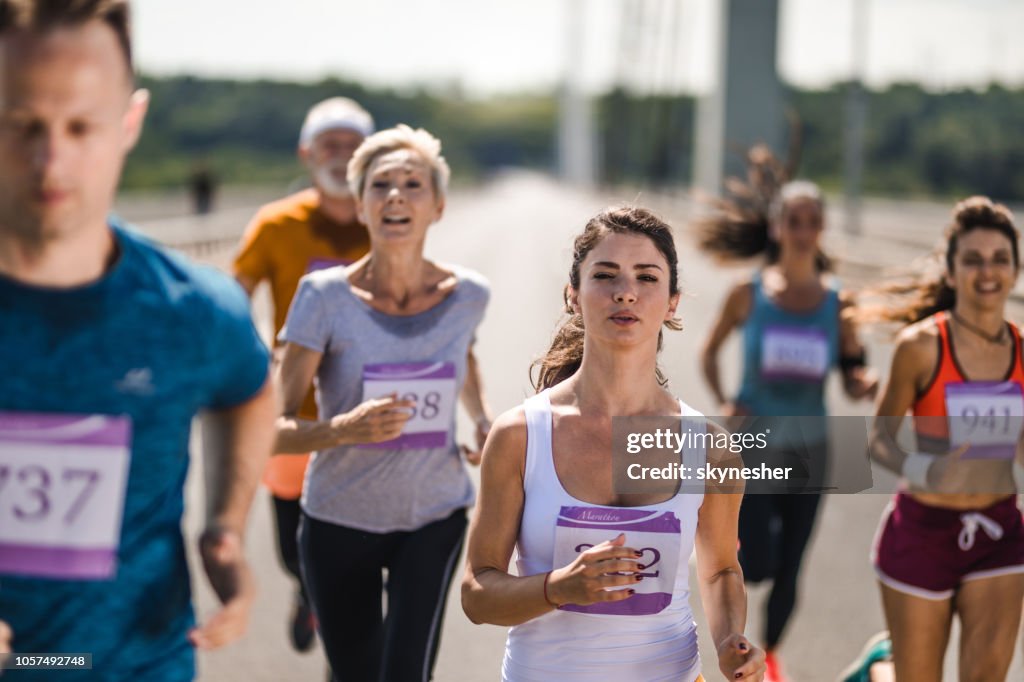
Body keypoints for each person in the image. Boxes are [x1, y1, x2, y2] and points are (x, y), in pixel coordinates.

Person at [0, 1, 276, 680]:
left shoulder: (195, 311)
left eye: (80, 126)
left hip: (139, 663)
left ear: (129, 122)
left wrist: (226, 527)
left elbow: (248, 387)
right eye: (22, 124)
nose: (50, 160)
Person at [462, 206, 766, 681]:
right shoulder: (522, 435)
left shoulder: (708, 446)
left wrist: (730, 639)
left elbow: (721, 571)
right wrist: (560, 587)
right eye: (605, 275)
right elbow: (477, 595)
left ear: (672, 303)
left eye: (647, 277)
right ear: (573, 296)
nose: (626, 291)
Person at [274, 124, 492, 681]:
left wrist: (482, 419)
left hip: (434, 514)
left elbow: (461, 357)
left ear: (437, 206)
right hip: (338, 517)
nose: (396, 195)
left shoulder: (469, 294)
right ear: (361, 205)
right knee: (355, 674)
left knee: (406, 675)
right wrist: (340, 430)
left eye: (413, 184)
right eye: (380, 184)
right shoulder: (322, 298)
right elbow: (272, 428)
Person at [697, 147, 877, 682]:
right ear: (777, 227)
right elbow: (708, 352)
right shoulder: (747, 295)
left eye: (813, 221)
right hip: (754, 445)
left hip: (815, 447)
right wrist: (726, 399)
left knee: (793, 566)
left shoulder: (838, 302)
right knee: (764, 563)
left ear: (822, 230)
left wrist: (862, 382)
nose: (803, 230)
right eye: (793, 220)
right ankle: (732, 560)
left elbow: (849, 372)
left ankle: (768, 657)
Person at [232, 95, 374, 653]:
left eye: (351, 145)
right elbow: (233, 300)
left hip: (370, 408)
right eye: (329, 145)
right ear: (306, 152)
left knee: (365, 539)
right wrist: (245, 362)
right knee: (294, 546)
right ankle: (306, 590)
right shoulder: (275, 225)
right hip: (293, 408)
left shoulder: (387, 219)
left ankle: (343, 627)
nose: (340, 156)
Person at [863, 196, 1024, 682]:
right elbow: (879, 440)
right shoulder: (921, 347)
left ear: (1015, 271)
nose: (987, 271)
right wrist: (925, 469)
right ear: (951, 272)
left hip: (998, 532)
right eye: (972, 260)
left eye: (1000, 259)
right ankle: (882, 670)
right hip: (922, 533)